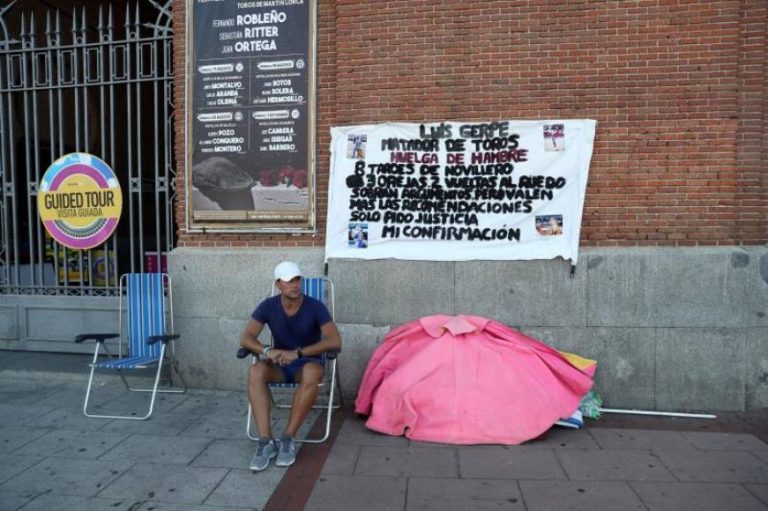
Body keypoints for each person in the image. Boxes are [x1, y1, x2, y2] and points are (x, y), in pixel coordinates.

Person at [240, 261, 342, 472]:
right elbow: (246, 338)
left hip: (307, 364)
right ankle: (265, 441)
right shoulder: (268, 306)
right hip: (279, 364)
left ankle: (288, 438)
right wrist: (268, 351)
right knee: (256, 370)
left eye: (297, 279)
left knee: (312, 372)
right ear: (278, 284)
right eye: (289, 281)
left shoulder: (315, 306)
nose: (295, 285)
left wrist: (298, 353)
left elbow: (334, 341)